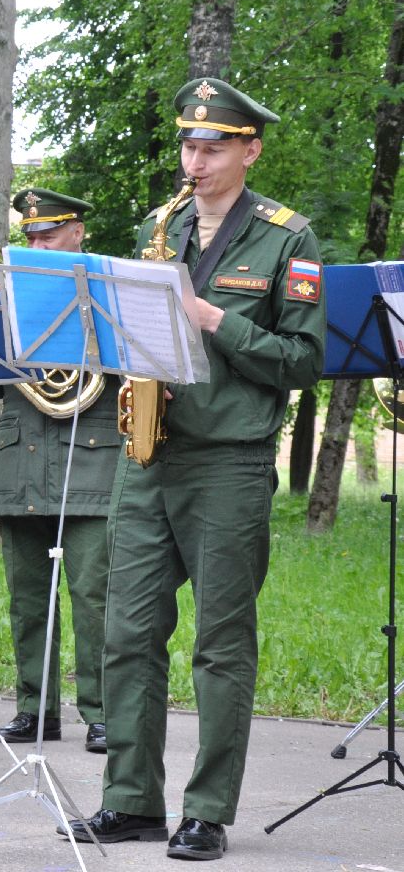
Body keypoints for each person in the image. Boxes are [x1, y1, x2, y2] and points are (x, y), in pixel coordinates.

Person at [65, 77, 325, 860]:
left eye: (213, 147)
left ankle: (207, 810)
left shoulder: (288, 239)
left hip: (228, 463)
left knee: (221, 643)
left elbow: (303, 361)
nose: (195, 160)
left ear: (250, 151)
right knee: (126, 632)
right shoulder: (162, 225)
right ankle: (131, 800)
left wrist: (211, 317)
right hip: (149, 453)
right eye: (188, 145)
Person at [0, 189, 117, 754]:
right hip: (22, 460)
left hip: (91, 459)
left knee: (93, 597)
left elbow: (136, 368)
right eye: (31, 237)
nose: (37, 246)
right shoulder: (8, 294)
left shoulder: (109, 291)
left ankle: (103, 713)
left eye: (49, 235)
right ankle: (35, 710)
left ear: (78, 232)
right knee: (28, 599)